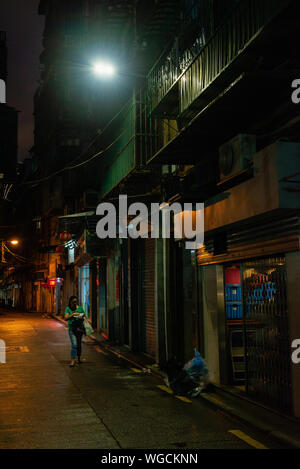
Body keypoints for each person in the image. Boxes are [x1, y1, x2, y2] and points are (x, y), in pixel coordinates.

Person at [64, 295, 86, 367]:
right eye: (73, 302)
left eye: (76, 302)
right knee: (74, 344)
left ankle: (79, 358)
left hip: (79, 329)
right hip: (72, 329)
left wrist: (79, 316)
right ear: (70, 302)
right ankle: (73, 360)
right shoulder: (68, 309)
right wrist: (73, 314)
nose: (75, 303)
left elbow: (84, 316)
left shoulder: (80, 308)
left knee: (79, 344)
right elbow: (66, 317)